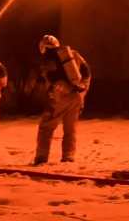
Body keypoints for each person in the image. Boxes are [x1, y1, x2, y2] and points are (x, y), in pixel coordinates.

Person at [34, 34, 90, 165]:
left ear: (43, 47)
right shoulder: (73, 54)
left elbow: (51, 77)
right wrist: (83, 89)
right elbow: (87, 70)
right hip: (78, 96)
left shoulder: (48, 59)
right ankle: (68, 157)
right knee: (70, 128)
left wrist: (65, 89)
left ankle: (41, 159)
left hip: (60, 97)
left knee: (46, 127)